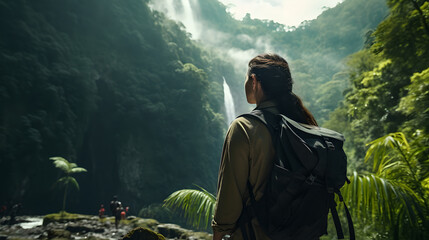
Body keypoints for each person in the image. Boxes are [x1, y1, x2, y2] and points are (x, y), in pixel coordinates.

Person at [211, 53, 318, 240]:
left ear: (254, 81)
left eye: (246, 78)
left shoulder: (244, 128)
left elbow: (230, 197)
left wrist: (219, 232)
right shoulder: (306, 125)